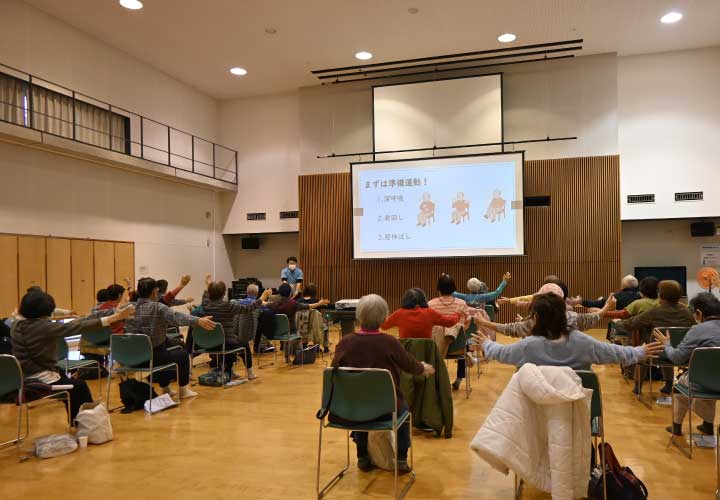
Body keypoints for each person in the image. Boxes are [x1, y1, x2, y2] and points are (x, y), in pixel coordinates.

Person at [331, 294, 435, 473]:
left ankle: (362, 456)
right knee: (405, 413)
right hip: (387, 410)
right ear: (384, 317)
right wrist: (423, 368)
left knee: (361, 404)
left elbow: (334, 370)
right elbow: (410, 365)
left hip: (350, 409)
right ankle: (401, 458)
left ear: (358, 315)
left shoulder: (345, 343)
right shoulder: (390, 343)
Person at [10, 290, 134, 420]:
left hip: (23, 375)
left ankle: (78, 419)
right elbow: (77, 326)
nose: (49, 317)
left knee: (67, 379)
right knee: (79, 387)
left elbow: (77, 321)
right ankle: (86, 421)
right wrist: (113, 318)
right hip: (39, 378)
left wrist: (112, 315)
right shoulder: (41, 327)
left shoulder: (16, 323)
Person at [474, 293, 664, 370]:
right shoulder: (581, 341)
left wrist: (486, 343)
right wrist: (639, 351)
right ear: (565, 314)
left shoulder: (528, 345)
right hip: (575, 407)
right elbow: (614, 352)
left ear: (536, 318)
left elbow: (502, 353)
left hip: (537, 412)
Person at [124, 277, 216, 399]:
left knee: (167, 346)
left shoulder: (127, 309)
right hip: (150, 357)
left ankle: (166, 388)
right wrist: (198, 320)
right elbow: (177, 317)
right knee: (182, 355)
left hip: (130, 357)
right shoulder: (158, 307)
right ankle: (183, 390)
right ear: (154, 292)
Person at [653, 293, 720, 436]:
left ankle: (676, 427)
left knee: (680, 387)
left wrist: (666, 343)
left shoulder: (697, 330)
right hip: (717, 382)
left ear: (699, 313)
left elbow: (676, 358)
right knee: (714, 376)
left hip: (702, 382)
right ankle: (708, 425)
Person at [616, 280, 695, 396]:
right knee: (668, 347)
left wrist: (617, 322)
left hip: (656, 353)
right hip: (681, 353)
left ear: (661, 295)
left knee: (644, 351)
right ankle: (668, 384)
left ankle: (637, 387)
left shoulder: (654, 312)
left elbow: (631, 324)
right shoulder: (687, 312)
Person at [192, 280, 271, 380]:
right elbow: (248, 308)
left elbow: (205, 297)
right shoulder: (228, 306)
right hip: (225, 343)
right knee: (244, 344)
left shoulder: (205, 305)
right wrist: (262, 298)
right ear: (224, 293)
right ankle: (250, 373)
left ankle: (229, 371)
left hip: (208, 344)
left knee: (231, 341)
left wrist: (208, 285)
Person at [475, 283, 614, 338]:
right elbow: (594, 318)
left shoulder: (533, 324)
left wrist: (484, 323)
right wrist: (607, 306)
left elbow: (509, 329)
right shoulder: (574, 319)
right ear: (562, 300)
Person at [428, 274, 476, 390]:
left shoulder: (430, 304)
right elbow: (466, 326)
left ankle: (436, 379)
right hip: (458, 348)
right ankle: (459, 377)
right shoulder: (462, 304)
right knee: (461, 335)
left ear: (438, 289)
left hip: (436, 348)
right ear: (454, 288)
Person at [266, 283, 329, 362]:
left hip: (276, 333)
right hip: (291, 331)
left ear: (279, 293)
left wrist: (267, 296)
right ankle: (299, 356)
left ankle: (287, 357)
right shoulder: (293, 303)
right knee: (296, 337)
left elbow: (264, 304)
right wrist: (319, 303)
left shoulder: (274, 304)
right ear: (290, 293)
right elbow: (308, 306)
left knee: (287, 336)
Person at [381, 288, 459, 339]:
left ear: (405, 300)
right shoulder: (430, 313)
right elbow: (450, 322)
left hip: (405, 356)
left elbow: (384, 326)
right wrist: (458, 314)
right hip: (426, 355)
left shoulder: (399, 313)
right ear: (423, 299)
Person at [572, 274, 641, 311]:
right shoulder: (641, 297)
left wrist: (581, 301)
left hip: (618, 328)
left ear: (622, 286)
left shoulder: (615, 297)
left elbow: (596, 304)